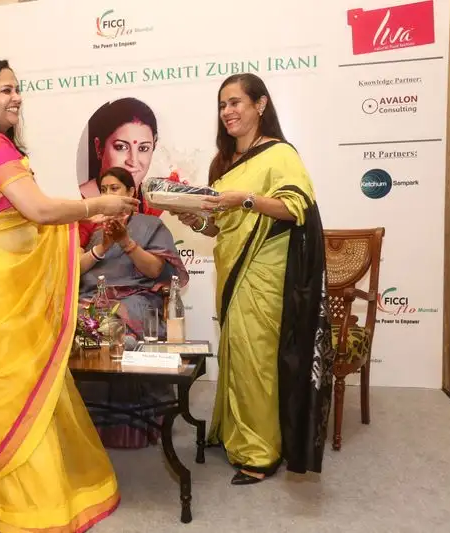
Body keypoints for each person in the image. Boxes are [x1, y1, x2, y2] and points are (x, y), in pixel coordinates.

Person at [0, 57, 138, 532]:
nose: (16, 97)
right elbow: (37, 210)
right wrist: (98, 204)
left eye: (18, 89)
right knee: (9, 386)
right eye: (6, 89)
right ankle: (16, 500)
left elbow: (17, 217)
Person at [172, 73, 334, 485]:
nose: (227, 112)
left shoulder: (280, 154)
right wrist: (195, 219)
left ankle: (260, 454)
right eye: (222, 105)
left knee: (256, 361)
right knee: (238, 357)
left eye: (235, 102)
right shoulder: (224, 164)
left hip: (264, 273)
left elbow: (296, 207)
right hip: (231, 270)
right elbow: (219, 228)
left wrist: (242, 198)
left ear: (260, 105)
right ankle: (236, 435)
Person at [77, 166, 188, 448]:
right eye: (103, 189)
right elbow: (75, 271)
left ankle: (129, 424)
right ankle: (82, 423)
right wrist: (102, 247)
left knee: (117, 320)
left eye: (114, 188)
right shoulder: (93, 229)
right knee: (74, 319)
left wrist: (125, 242)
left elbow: (154, 271)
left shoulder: (151, 226)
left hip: (136, 297)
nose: (108, 194)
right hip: (93, 298)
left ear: (130, 192)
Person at [78, 97, 163, 248]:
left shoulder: (154, 201)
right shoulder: (77, 205)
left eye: (143, 148)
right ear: (99, 147)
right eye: (121, 147)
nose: (133, 161)